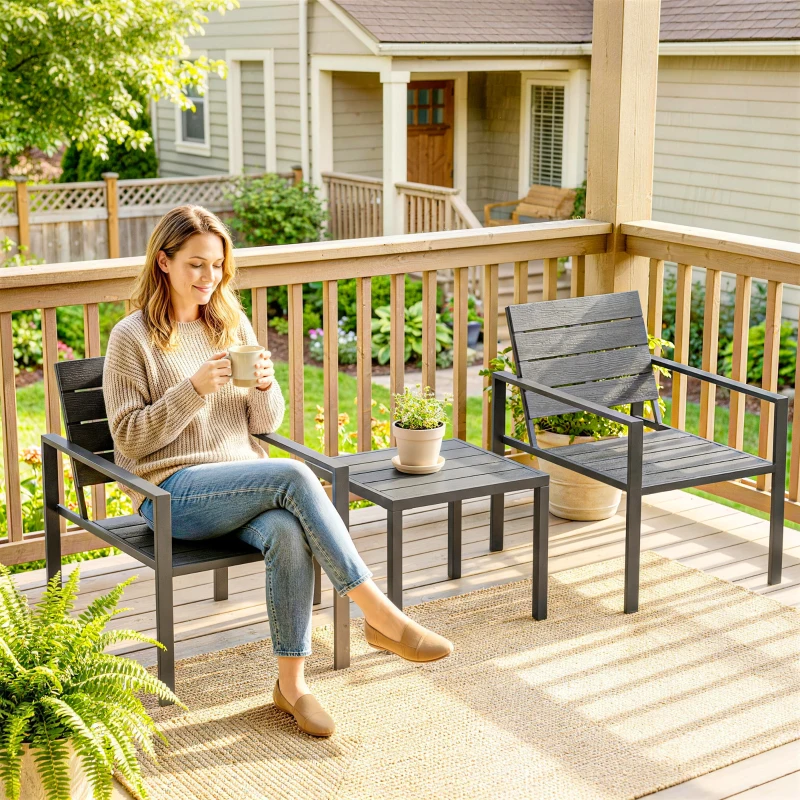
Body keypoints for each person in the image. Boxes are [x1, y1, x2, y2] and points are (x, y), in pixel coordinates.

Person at [102, 205, 453, 738]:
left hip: (241, 483)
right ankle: (382, 618)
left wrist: (265, 386)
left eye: (217, 265)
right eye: (196, 264)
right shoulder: (132, 338)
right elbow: (128, 440)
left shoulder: (229, 322)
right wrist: (192, 389)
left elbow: (264, 425)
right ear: (164, 261)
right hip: (171, 493)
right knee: (293, 476)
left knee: (289, 533)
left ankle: (292, 687)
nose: (208, 278)